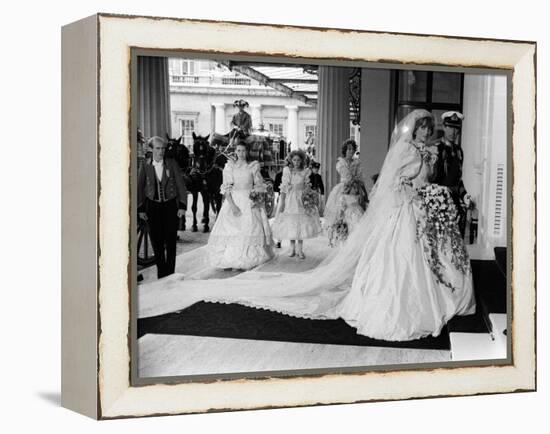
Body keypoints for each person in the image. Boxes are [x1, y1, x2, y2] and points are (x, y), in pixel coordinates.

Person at [139, 110, 475, 342]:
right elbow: (393, 184)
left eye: (429, 131)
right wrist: (416, 192)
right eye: (423, 129)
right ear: (414, 130)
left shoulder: (427, 152)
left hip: (418, 212)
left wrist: (430, 192)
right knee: (400, 260)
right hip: (404, 210)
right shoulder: (404, 151)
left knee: (422, 258)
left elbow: (418, 180)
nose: (426, 134)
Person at [207, 142, 274, 270]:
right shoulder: (230, 167)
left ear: (247, 152)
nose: (241, 153)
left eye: (243, 150)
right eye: (238, 150)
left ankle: (246, 258)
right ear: (235, 152)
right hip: (234, 200)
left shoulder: (252, 166)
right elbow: (226, 188)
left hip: (249, 201)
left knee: (250, 228)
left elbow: (259, 185)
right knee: (232, 229)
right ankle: (231, 259)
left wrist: (257, 197)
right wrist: (232, 206)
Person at [137, 136, 187, 279]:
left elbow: (181, 186)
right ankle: (162, 274)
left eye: (163, 148)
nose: (161, 151)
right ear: (151, 149)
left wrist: (182, 206)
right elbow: (139, 188)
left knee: (171, 241)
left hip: (170, 206)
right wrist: (140, 208)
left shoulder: (171, 164)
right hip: (152, 207)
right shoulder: (145, 165)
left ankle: (170, 274)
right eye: (158, 148)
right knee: (156, 242)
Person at [271, 150, 322, 259]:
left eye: (298, 160)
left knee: (301, 222)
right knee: (292, 222)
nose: (296, 162)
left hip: (301, 198)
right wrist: (283, 201)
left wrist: (309, 195)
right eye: (294, 160)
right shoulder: (287, 171)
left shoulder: (305, 172)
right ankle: (292, 247)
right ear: (291, 160)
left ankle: (300, 249)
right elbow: (284, 187)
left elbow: (308, 185)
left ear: (302, 161)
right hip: (291, 198)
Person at [431, 111, 471, 237]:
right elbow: (430, 178)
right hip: (437, 202)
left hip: (454, 203)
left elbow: (458, 180)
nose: (453, 132)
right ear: (443, 127)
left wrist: (464, 195)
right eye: (450, 127)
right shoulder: (435, 148)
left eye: (456, 128)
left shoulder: (459, 152)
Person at [323, 139, 368, 244]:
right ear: (345, 150)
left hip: (355, 188)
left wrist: (363, 191)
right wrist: (354, 179)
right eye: (348, 149)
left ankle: (354, 240)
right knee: (343, 211)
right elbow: (347, 176)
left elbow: (360, 177)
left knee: (356, 212)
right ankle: (343, 237)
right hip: (344, 189)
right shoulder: (341, 163)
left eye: (352, 149)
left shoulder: (357, 162)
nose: (351, 151)